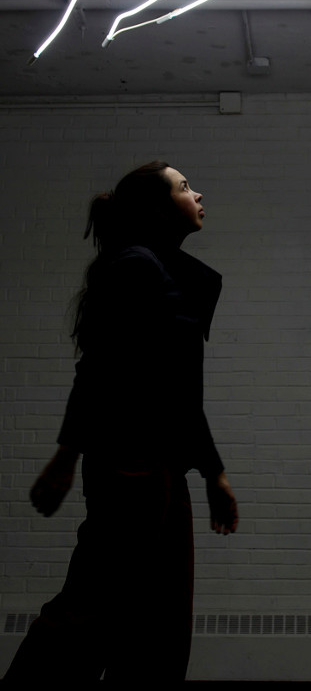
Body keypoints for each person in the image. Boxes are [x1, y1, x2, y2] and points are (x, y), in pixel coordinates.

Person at [3, 160, 238, 682]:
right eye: (183, 187)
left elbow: (178, 386)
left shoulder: (162, 269)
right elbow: (101, 367)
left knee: (160, 622)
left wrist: (210, 472)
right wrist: (67, 455)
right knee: (93, 608)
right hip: (131, 466)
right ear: (157, 208)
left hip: (162, 468)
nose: (197, 193)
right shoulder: (135, 266)